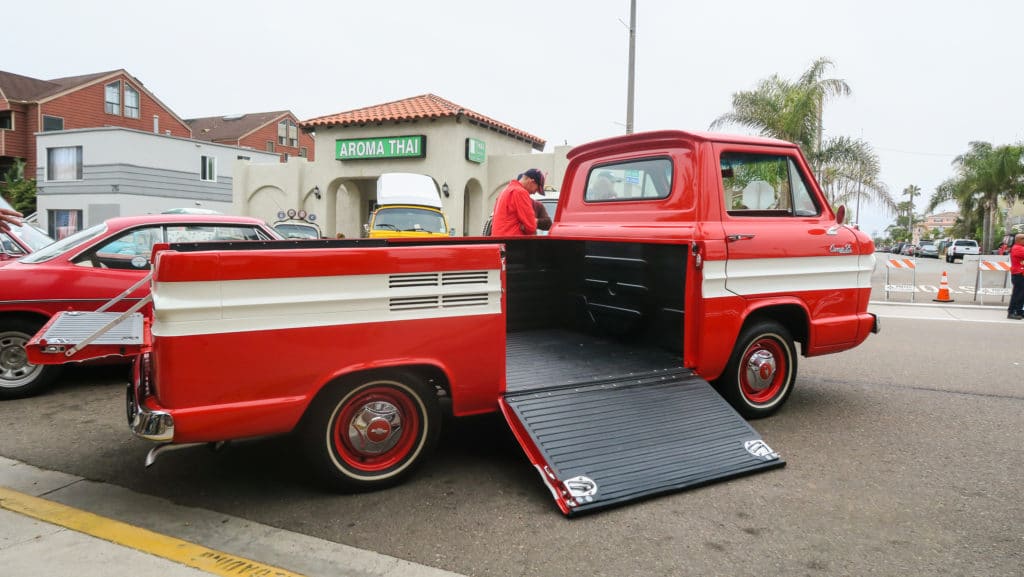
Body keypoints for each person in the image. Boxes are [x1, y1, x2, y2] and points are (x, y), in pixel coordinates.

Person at [490, 168, 545, 236]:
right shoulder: (520, 192)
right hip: (513, 241)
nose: (534, 193)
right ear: (532, 182)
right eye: (536, 189)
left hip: (500, 241)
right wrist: (525, 226)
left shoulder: (505, 190)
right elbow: (531, 226)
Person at [1007, 233, 1024, 319]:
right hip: (1018, 275)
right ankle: (1011, 312)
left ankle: (1019, 311)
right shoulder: (1018, 248)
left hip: (1021, 274)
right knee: (1017, 294)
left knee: (1021, 294)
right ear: (1019, 240)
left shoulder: (1019, 247)